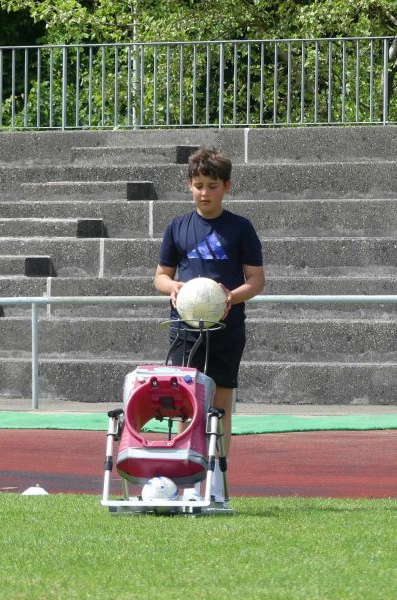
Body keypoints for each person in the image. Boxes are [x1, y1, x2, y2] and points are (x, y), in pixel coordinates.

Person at [154, 147, 265, 503]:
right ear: (189, 185)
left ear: (226, 186)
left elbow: (257, 280)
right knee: (185, 404)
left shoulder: (241, 228)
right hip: (185, 329)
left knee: (221, 404)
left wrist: (231, 296)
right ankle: (183, 481)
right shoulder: (177, 227)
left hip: (226, 329)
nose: (205, 192)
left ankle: (215, 482)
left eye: (212, 186)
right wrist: (173, 288)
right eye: (199, 185)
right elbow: (161, 276)